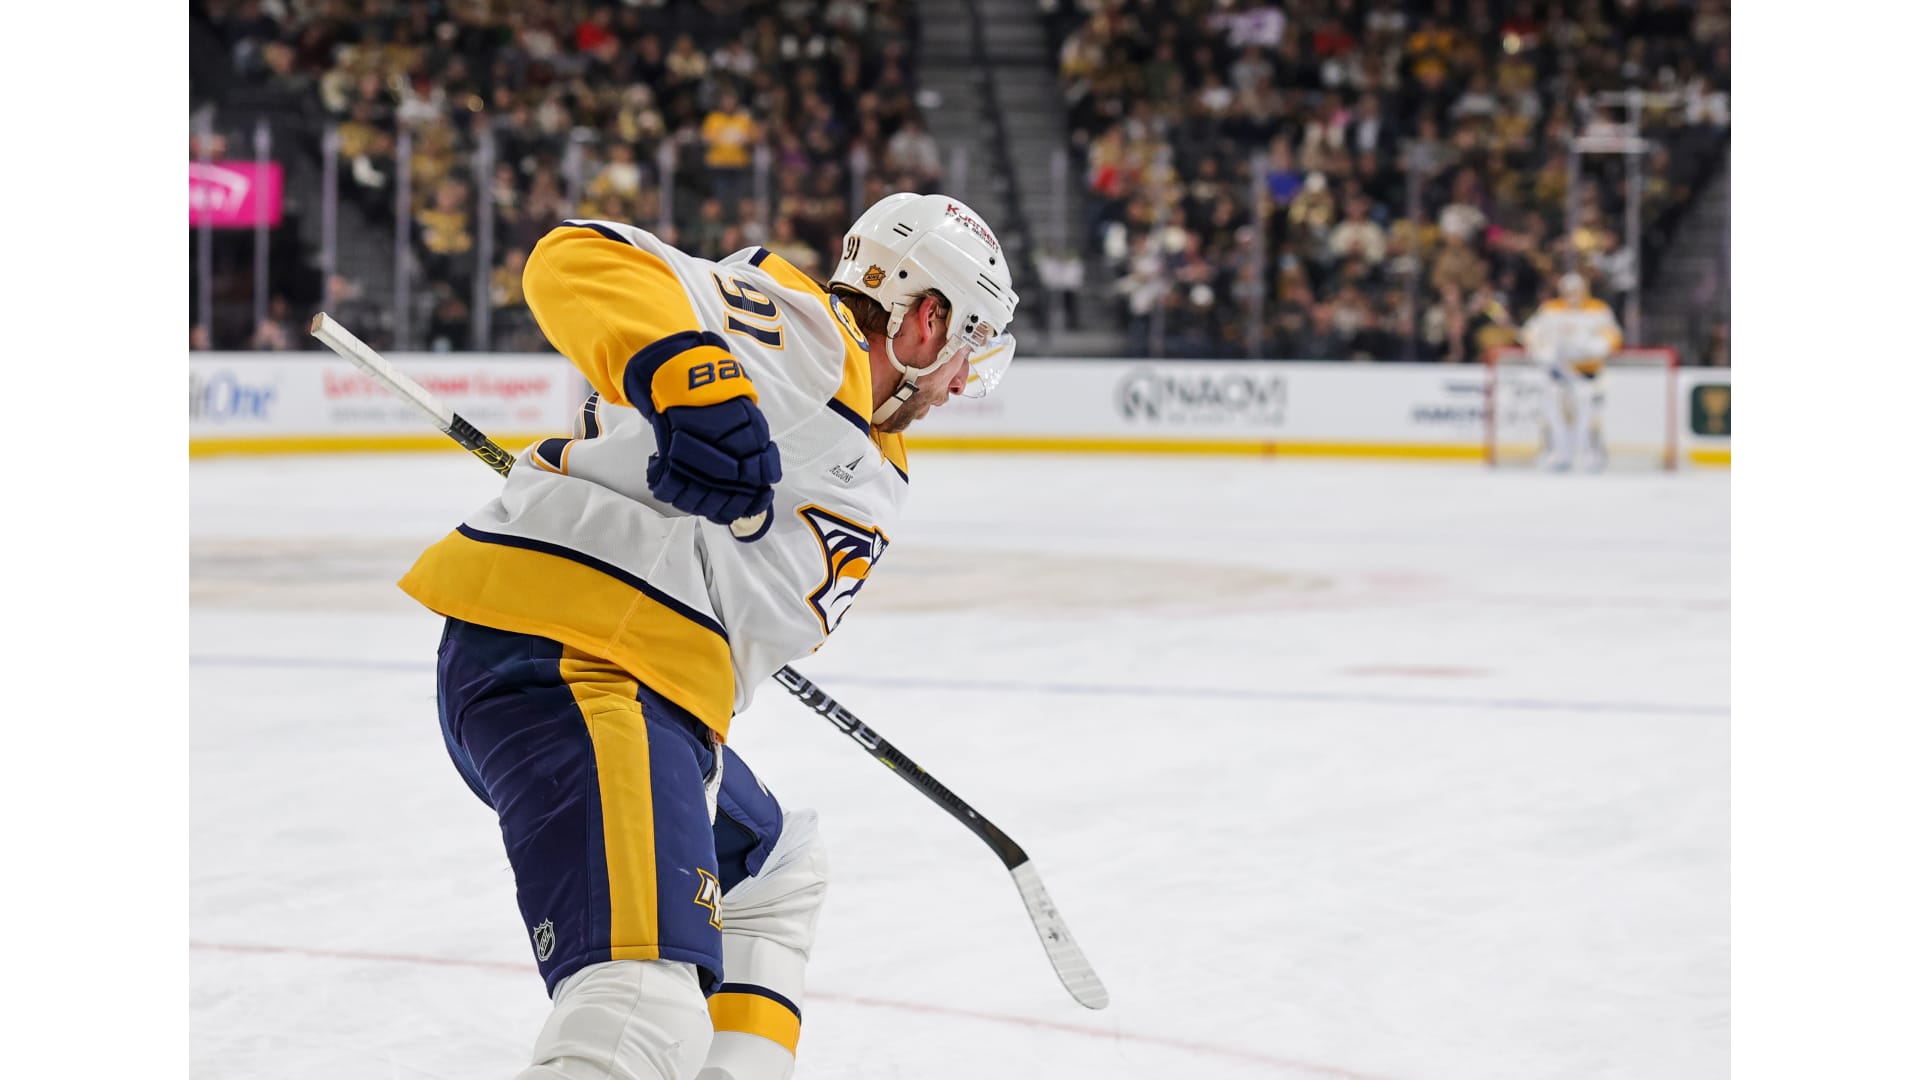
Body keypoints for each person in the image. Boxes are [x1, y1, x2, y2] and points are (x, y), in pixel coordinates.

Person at [397, 191, 1018, 1080]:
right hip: (581, 666)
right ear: (928, 319)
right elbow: (579, 256)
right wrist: (693, 382)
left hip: (639, 686)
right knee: (638, 1008)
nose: (962, 382)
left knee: (774, 873)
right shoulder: (808, 340)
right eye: (971, 346)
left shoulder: (864, 429)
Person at [1520, 271, 1622, 471]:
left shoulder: (1597, 309)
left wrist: (1594, 348)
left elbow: (1613, 337)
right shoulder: (1550, 309)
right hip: (1557, 374)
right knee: (1554, 414)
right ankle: (1558, 453)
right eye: (1568, 290)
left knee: (1587, 417)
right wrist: (1540, 351)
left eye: (1577, 290)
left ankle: (1589, 454)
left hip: (1587, 375)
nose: (1572, 294)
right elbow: (1531, 333)